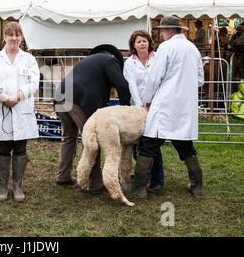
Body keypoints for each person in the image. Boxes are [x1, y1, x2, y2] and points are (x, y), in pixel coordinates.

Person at [131, 16, 205, 198]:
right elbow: (200, 80)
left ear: (170, 30)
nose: (161, 34)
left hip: (164, 105)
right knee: (185, 145)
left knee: (148, 145)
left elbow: (154, 78)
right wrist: (183, 88)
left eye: (162, 31)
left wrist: (147, 100)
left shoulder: (166, 47)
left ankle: (139, 187)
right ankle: (197, 186)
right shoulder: (193, 49)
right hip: (184, 106)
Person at [54, 44, 131, 194]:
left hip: (60, 97)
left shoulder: (88, 61)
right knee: (92, 141)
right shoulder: (110, 60)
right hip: (79, 101)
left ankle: (63, 176)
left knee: (69, 138)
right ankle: (95, 183)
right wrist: (126, 108)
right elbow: (121, 84)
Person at [0, 22, 40, 202]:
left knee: (20, 148)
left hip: (21, 107)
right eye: (11, 35)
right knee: (3, 148)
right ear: (5, 37)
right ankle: (3, 186)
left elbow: (33, 83)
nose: (14, 38)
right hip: (2, 108)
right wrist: (4, 97)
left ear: (21, 38)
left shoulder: (29, 59)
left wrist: (17, 96)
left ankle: (17, 186)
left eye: (17, 35)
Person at [123, 30, 164, 193]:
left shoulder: (158, 58)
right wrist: (141, 107)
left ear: (149, 42)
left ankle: (157, 180)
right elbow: (131, 85)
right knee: (136, 142)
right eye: (138, 41)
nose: (142, 43)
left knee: (152, 142)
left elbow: (160, 80)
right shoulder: (129, 63)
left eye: (144, 40)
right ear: (133, 45)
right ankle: (142, 175)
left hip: (156, 105)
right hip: (138, 107)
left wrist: (152, 103)